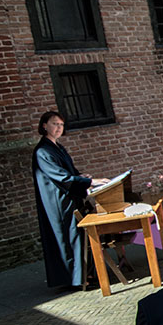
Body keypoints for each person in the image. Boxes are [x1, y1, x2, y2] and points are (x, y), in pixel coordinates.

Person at [32, 111, 108, 288]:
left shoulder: (57, 147)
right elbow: (61, 178)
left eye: (61, 125)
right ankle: (75, 280)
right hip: (58, 202)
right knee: (68, 238)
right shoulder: (42, 151)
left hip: (68, 199)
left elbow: (69, 172)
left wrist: (80, 176)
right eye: (54, 124)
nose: (58, 128)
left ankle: (83, 275)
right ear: (44, 126)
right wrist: (90, 181)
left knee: (78, 237)